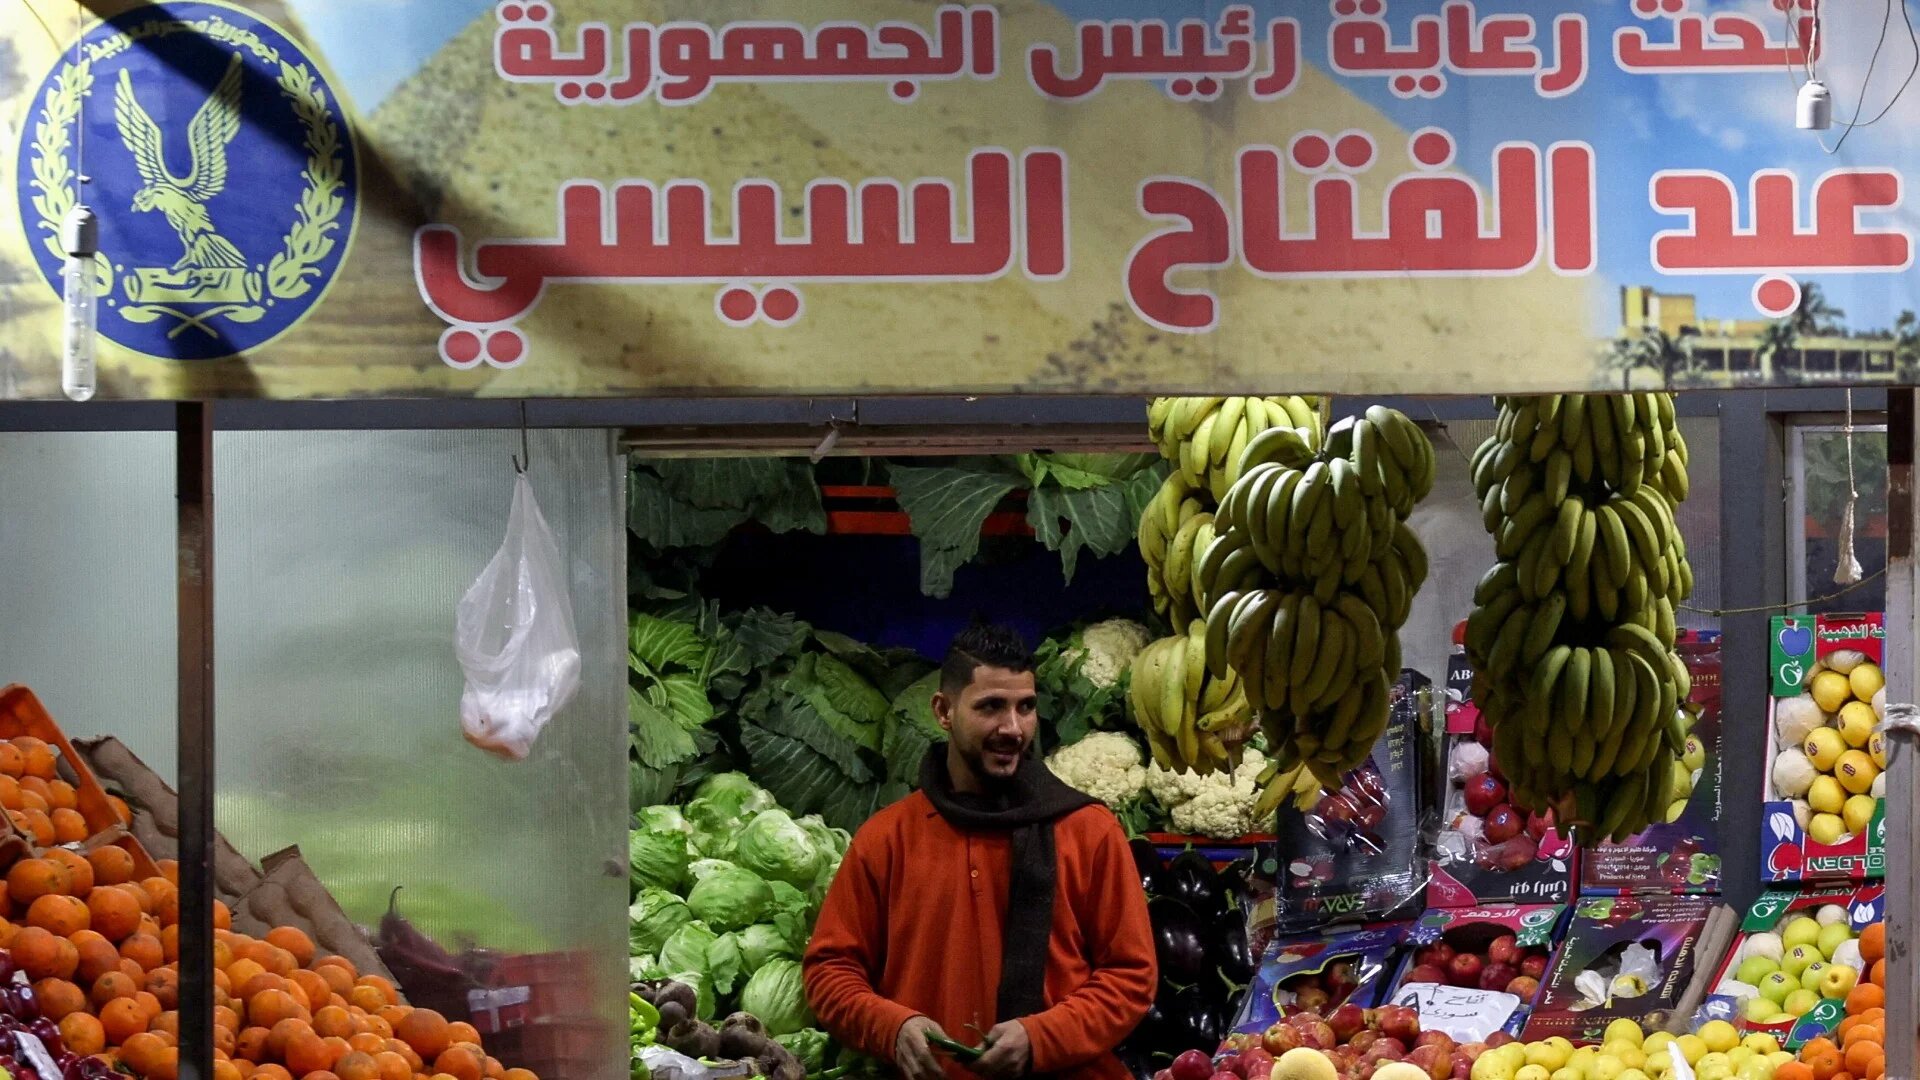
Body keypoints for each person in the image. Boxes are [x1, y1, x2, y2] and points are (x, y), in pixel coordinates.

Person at [803, 623, 1156, 1080]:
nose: (1012, 728)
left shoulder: (1089, 831)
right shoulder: (886, 839)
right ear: (943, 711)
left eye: (1025, 707)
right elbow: (830, 970)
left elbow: (1130, 976)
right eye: (991, 707)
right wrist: (892, 1027)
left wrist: (1040, 1037)